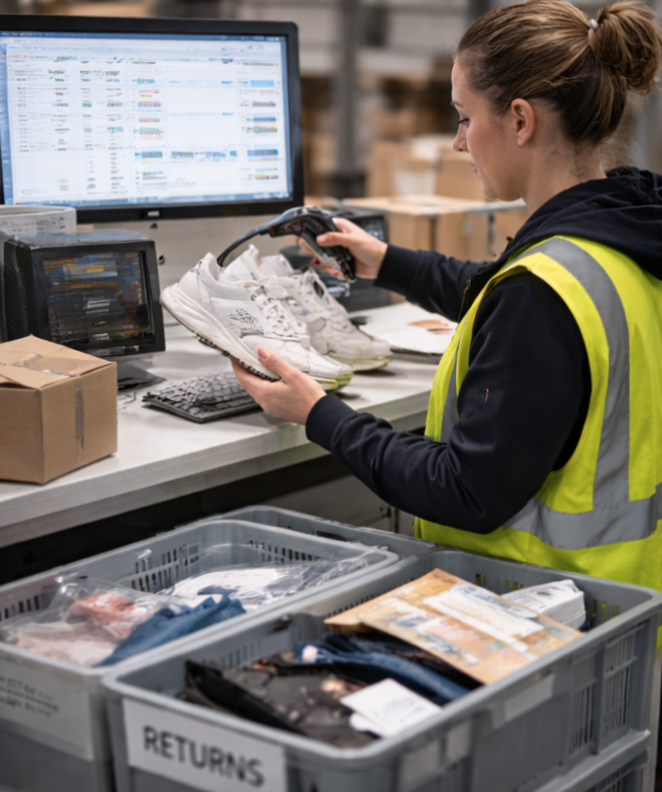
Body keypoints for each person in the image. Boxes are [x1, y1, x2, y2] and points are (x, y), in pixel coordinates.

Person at [233, 0, 662, 596]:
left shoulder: (543, 292)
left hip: (539, 610)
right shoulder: (624, 233)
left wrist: (319, 414)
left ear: (520, 121)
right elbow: (505, 297)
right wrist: (387, 262)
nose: (459, 142)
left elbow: (466, 489)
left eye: (464, 118)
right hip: (628, 600)